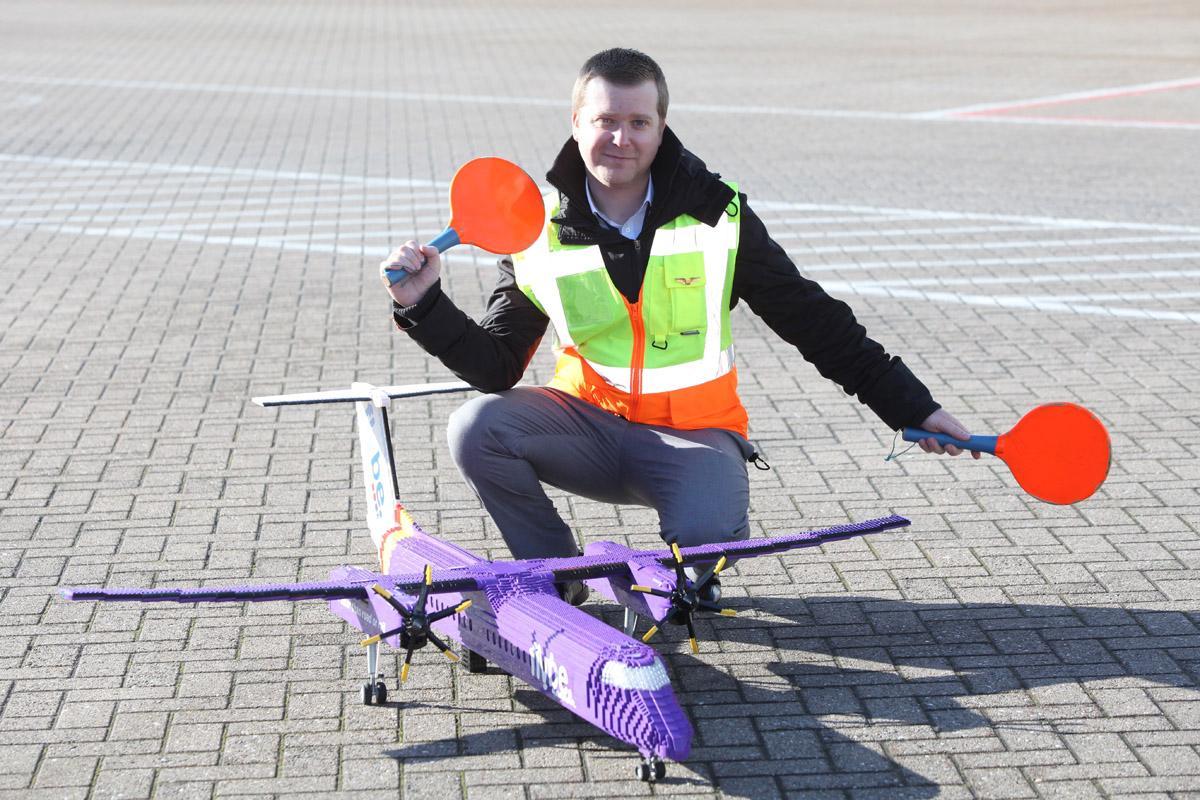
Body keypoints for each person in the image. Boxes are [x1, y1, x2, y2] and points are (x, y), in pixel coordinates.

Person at [379, 48, 977, 577]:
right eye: (605, 120)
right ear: (576, 124)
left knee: (705, 537)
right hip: (588, 429)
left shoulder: (718, 216)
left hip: (694, 437)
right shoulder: (535, 229)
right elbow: (498, 366)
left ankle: (694, 560)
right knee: (477, 427)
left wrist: (913, 408)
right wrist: (425, 305)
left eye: (638, 121)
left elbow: (818, 325)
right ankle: (551, 571)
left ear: (661, 127)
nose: (621, 138)